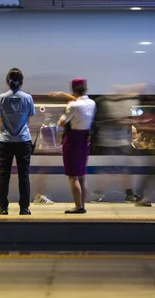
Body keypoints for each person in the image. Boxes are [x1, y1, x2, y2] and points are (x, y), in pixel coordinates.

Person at [0, 68, 36, 215]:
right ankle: (24, 208)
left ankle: (3, 208)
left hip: (5, 141)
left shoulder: (0, 98)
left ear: (8, 81)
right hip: (23, 141)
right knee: (23, 175)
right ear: (21, 82)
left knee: (4, 175)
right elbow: (30, 120)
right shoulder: (28, 98)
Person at [58, 79, 96, 214]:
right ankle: (82, 205)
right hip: (84, 140)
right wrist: (64, 96)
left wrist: (67, 104)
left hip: (72, 141)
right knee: (82, 175)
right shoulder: (92, 103)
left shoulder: (72, 106)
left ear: (73, 90)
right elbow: (80, 101)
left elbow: (61, 123)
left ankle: (78, 207)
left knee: (73, 176)